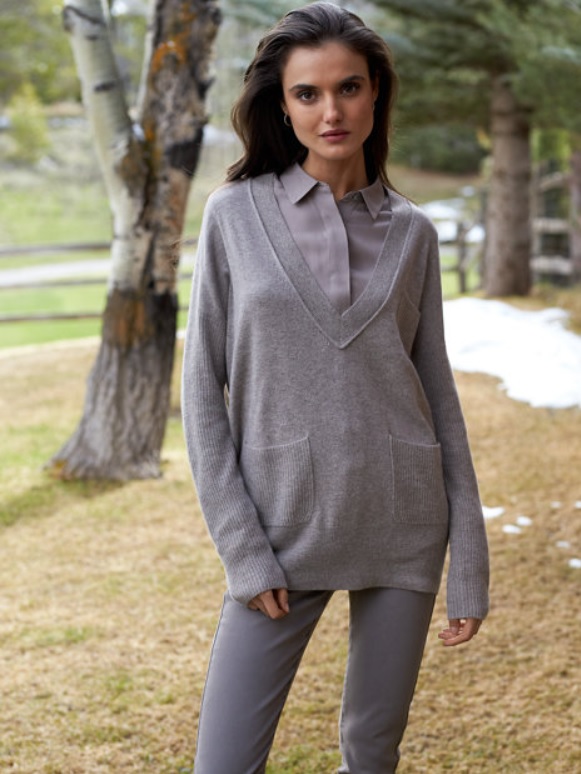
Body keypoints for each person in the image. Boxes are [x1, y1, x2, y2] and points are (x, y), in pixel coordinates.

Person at [181, 3, 489, 772]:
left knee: (369, 749)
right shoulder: (233, 216)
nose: (331, 111)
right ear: (281, 106)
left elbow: (436, 397)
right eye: (307, 93)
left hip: (401, 526)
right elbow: (202, 394)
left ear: (375, 92)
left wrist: (468, 564)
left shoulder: (412, 233)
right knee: (224, 760)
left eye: (348, 87)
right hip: (281, 531)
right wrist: (243, 551)